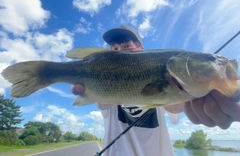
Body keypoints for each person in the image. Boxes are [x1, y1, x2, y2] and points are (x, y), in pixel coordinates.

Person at [71, 25, 240, 156]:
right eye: (114, 49)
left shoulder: (165, 78)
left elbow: (174, 106)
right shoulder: (104, 84)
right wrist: (92, 87)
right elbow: (103, 104)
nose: (120, 51)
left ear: (142, 49)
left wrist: (206, 94)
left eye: (127, 46)